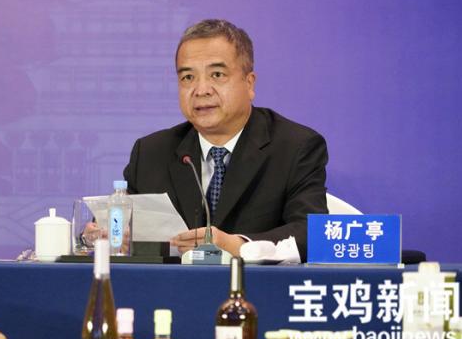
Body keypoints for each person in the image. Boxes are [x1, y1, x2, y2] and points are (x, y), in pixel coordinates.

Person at [123, 19, 328, 262]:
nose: (201, 90)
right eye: (188, 77)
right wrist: (107, 235)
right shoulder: (151, 153)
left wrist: (237, 245)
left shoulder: (295, 147)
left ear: (249, 83)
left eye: (217, 75)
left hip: (254, 284)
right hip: (172, 285)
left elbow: (311, 233)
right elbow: (121, 223)